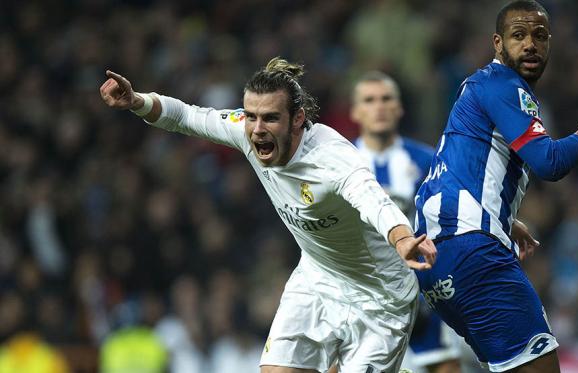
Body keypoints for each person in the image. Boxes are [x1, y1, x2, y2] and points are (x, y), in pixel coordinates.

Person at [99, 57, 437, 373]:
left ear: (298, 119)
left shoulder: (331, 158)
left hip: (380, 295)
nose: (257, 128)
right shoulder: (247, 131)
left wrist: (402, 237)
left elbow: (373, 199)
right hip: (318, 278)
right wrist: (137, 101)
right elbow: (187, 116)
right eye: (251, 115)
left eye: (271, 118)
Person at [413, 1, 578, 372]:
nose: (530, 45)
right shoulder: (503, 85)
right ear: (498, 43)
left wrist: (503, 220)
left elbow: (455, 166)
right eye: (518, 35)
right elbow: (549, 162)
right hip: (474, 251)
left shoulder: (476, 88)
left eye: (540, 36)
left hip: (435, 264)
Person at [350, 71, 464, 373]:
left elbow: (457, 207)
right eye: (370, 100)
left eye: (387, 99)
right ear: (356, 111)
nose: (380, 107)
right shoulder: (342, 161)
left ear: (399, 108)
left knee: (445, 363)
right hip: (361, 294)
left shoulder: (426, 160)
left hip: (420, 289)